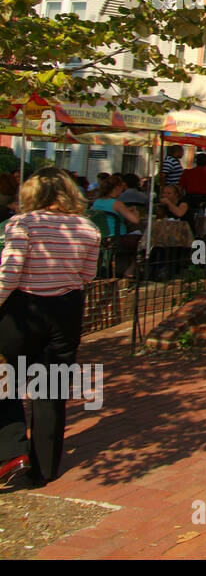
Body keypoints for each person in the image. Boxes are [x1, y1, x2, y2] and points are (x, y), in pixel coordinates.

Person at [0, 169, 101, 490]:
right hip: (66, 310)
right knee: (51, 387)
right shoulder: (88, 228)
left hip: (23, 309)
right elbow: (88, 274)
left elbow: (9, 274)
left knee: (6, 381)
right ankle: (44, 468)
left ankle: (12, 451)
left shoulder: (23, 224)